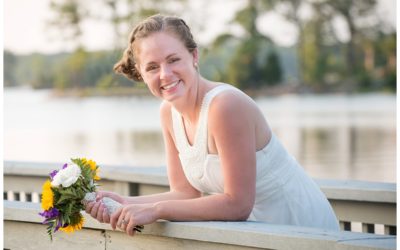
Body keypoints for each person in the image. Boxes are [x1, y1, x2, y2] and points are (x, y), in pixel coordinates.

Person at [85, 14, 340, 236]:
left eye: (173, 60)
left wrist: (155, 211)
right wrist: (125, 203)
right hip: (258, 233)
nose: (165, 74)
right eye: (152, 67)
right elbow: (185, 194)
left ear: (194, 56)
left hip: (301, 226)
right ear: (141, 73)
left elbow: (237, 205)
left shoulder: (225, 106)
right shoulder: (168, 113)